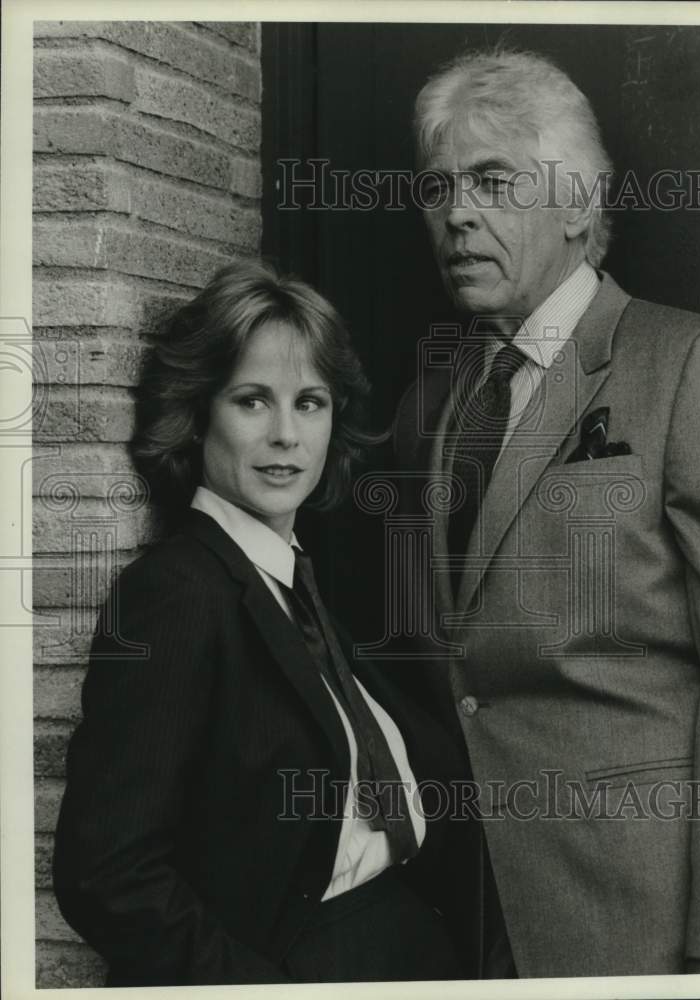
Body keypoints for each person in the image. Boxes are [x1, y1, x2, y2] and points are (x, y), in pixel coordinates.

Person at [393, 48, 700, 978]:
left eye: (494, 180)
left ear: (580, 209)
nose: (457, 213)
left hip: (643, 917)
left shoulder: (693, 366)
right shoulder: (439, 404)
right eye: (438, 188)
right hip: (476, 916)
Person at [53, 260, 469, 986]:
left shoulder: (288, 579)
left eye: (309, 402)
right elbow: (107, 873)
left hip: (396, 945)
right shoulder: (176, 593)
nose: (286, 435)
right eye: (252, 401)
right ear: (196, 411)